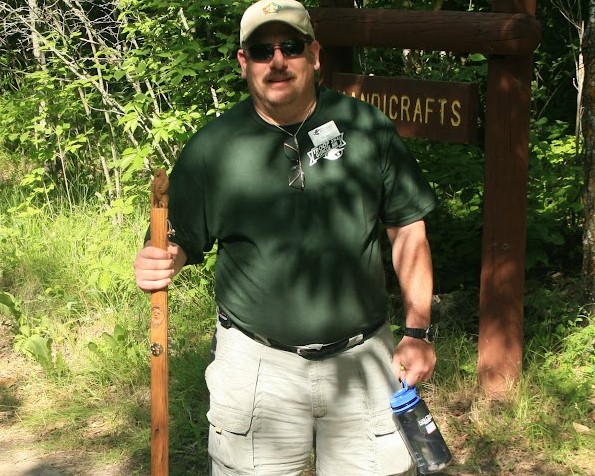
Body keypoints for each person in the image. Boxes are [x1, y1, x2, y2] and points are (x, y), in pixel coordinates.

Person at [134, 1, 438, 474]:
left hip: (363, 362)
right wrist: (162, 260)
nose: (277, 61)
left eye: (290, 47)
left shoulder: (365, 128)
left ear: (314, 55)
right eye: (261, 50)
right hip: (257, 368)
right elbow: (178, 241)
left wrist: (417, 330)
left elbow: (407, 228)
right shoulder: (213, 148)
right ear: (244, 63)